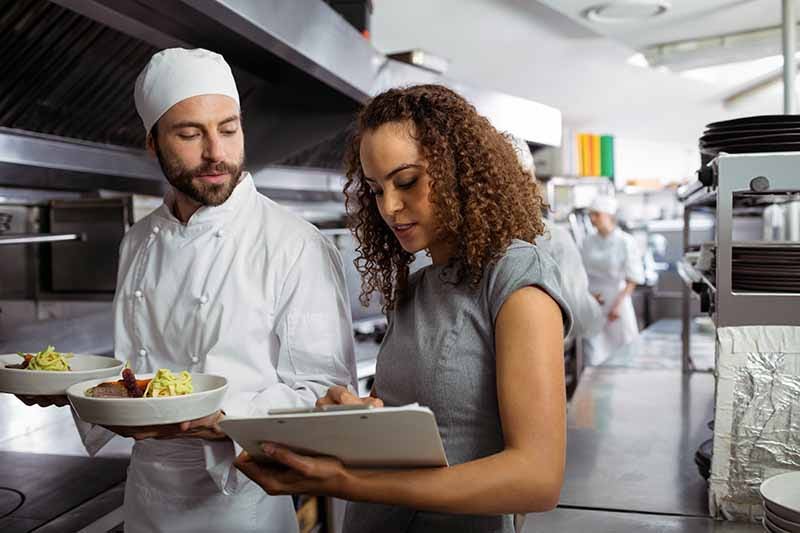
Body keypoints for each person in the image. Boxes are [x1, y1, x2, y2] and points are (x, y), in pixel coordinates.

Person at [20, 48, 357, 533]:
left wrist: (223, 418)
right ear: (153, 143)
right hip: (146, 499)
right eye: (190, 133)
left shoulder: (293, 244)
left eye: (228, 128)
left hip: (243, 508)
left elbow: (326, 395)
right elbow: (134, 376)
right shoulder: (137, 241)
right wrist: (73, 392)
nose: (216, 152)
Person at [234, 84, 572, 533]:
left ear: (457, 170)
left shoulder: (513, 276)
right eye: (375, 190)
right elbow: (427, 432)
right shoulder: (415, 288)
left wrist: (353, 481)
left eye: (407, 181)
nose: (390, 207)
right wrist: (352, 422)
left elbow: (537, 479)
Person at [510, 136, 603, 347]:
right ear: (528, 179)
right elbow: (580, 316)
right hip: (538, 358)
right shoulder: (553, 237)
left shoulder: (462, 240)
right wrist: (591, 307)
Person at [581, 195, 645, 366]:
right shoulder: (587, 242)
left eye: (597, 214)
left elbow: (633, 277)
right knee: (593, 355)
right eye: (591, 215)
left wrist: (618, 305)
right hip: (593, 301)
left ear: (609, 216)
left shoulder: (625, 241)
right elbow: (581, 273)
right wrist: (588, 296)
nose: (592, 219)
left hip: (618, 301)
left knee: (623, 353)